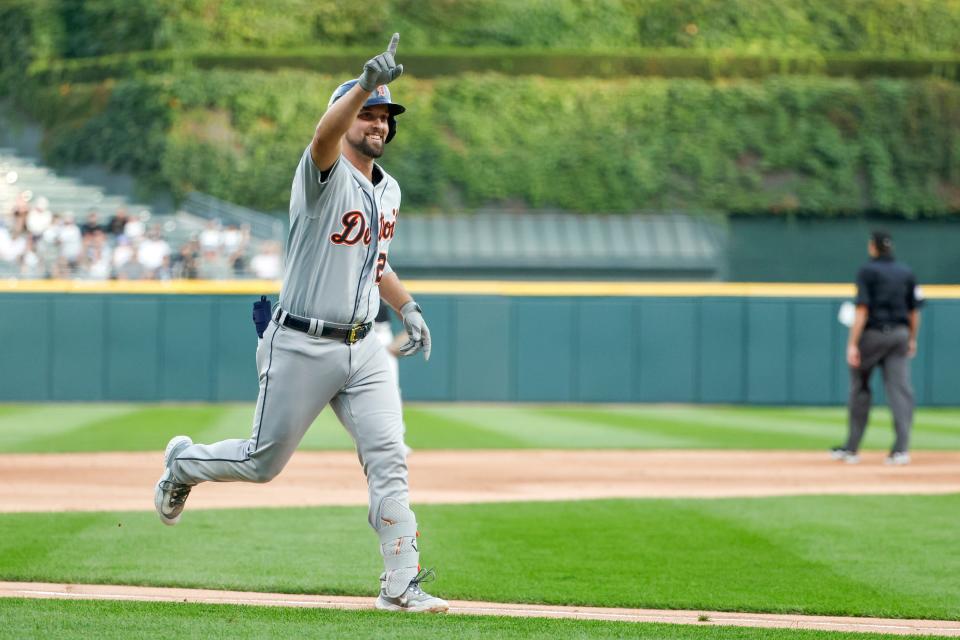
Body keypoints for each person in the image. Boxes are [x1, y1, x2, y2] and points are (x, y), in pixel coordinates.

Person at [153, 34, 447, 613]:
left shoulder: (388, 193)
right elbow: (321, 137)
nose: (379, 124)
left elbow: (375, 266)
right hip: (302, 341)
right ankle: (182, 464)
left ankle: (400, 584)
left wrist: (407, 306)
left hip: (365, 345)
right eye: (368, 114)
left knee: (389, 457)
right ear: (348, 118)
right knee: (263, 462)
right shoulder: (323, 174)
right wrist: (362, 83)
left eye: (386, 117)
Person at [831, 230, 923, 465]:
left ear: (873, 246)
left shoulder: (867, 271)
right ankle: (901, 450)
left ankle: (852, 449)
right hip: (900, 335)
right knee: (900, 391)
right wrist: (912, 338)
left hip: (872, 335)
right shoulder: (906, 272)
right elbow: (914, 310)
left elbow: (862, 310)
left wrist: (852, 344)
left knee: (860, 388)